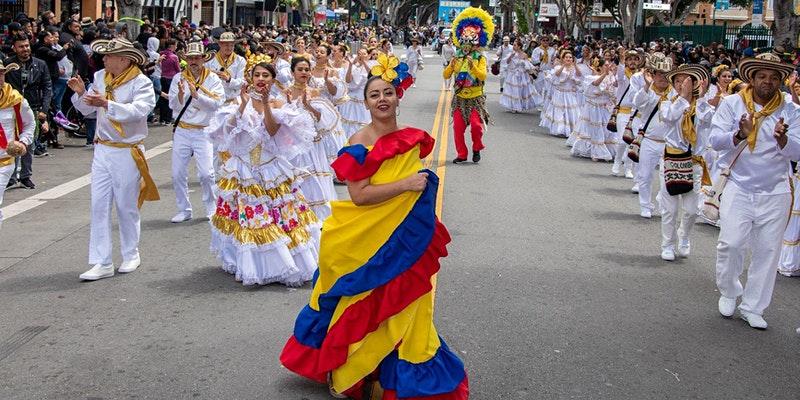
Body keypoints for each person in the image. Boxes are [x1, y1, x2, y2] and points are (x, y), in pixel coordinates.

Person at [280, 70, 468, 400]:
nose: (382, 99)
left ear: (398, 97)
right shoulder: (358, 142)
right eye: (374, 95)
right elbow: (360, 195)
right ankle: (358, 370)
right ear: (365, 103)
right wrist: (407, 185)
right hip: (367, 240)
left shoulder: (411, 138)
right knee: (366, 302)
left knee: (410, 306)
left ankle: (399, 377)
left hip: (406, 240)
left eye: (388, 93)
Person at [207, 55, 320, 286]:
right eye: (257, 75)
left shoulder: (278, 103)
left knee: (277, 217)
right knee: (247, 220)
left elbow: (271, 130)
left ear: (272, 79)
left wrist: (267, 102)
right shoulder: (238, 103)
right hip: (243, 170)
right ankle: (248, 263)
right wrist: (241, 104)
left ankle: (279, 263)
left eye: (265, 75)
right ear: (250, 78)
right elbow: (228, 132)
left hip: (271, 170)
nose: (261, 79)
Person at [710, 52, 799, 329]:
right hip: (738, 185)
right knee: (731, 244)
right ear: (752, 78)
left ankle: (753, 306)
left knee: (768, 251)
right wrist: (738, 134)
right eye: (762, 76)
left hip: (776, 191)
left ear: (780, 82)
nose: (768, 82)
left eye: (774, 78)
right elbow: (715, 141)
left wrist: (784, 139)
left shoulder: (791, 110)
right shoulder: (732, 104)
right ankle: (729, 290)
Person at [68, 37, 158, 281]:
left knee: (126, 205)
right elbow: (87, 110)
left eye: (109, 56)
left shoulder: (142, 83)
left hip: (127, 150)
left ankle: (131, 253)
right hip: (103, 149)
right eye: (104, 56)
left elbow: (139, 111)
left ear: (124, 59)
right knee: (98, 205)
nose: (104, 60)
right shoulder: (99, 77)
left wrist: (106, 103)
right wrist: (80, 95)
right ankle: (102, 261)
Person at [656, 64, 711, 261]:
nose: (681, 84)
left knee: (691, 210)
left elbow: (708, 120)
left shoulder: (702, 105)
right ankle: (667, 244)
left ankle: (684, 236)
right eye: (678, 81)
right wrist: (682, 97)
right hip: (671, 159)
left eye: (686, 81)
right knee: (669, 209)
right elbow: (668, 117)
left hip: (694, 162)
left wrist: (702, 97)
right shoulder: (667, 102)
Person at [168, 42, 224, 223]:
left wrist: (197, 96)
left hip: (203, 131)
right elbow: (172, 106)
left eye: (197, 58)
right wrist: (180, 96)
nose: (193, 61)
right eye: (190, 58)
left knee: (207, 173)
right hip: (183, 130)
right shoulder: (178, 78)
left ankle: (211, 207)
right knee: (177, 173)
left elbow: (217, 103)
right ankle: (184, 209)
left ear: (203, 59)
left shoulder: (212, 79)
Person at [443, 7, 493, 164]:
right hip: (459, 98)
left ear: (475, 45)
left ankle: (477, 147)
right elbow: (445, 75)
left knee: (477, 127)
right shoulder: (456, 58)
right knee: (457, 129)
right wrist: (451, 66)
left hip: (475, 98)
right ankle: (462, 154)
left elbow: (483, 76)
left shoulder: (480, 58)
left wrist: (473, 66)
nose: (465, 48)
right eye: (463, 44)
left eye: (468, 45)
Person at [630, 52, 675, 218]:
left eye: (666, 75)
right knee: (645, 175)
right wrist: (647, 86)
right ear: (653, 75)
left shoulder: (674, 94)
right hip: (649, 140)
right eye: (660, 74)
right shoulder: (648, 91)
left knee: (667, 178)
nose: (663, 78)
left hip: (669, 143)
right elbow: (637, 103)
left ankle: (663, 203)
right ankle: (645, 206)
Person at [5, 34, 51, 189]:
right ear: (14, 48)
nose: (25, 49)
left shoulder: (40, 64)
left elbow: (47, 87)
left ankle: (25, 176)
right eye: (21, 46)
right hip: (11, 108)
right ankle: (10, 176)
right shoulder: (7, 65)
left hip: (33, 107)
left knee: (29, 142)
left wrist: (44, 110)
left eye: (27, 46)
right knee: (11, 140)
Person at [0, 62, 35, 228]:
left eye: (1, 73)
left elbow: (30, 123)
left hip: (4, 162)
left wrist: (23, 142)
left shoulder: (15, 99)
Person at [571, 57, 616, 161]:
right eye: (606, 65)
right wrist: (605, 74)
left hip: (605, 107)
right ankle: (597, 153)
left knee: (606, 129)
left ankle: (604, 149)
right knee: (596, 129)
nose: (608, 67)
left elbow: (614, 90)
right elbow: (595, 84)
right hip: (594, 107)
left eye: (609, 65)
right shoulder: (590, 78)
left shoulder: (611, 78)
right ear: (600, 67)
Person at [611, 50, 644, 180]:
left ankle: (628, 168)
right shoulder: (622, 73)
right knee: (621, 141)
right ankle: (617, 162)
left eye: (635, 59)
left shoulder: (642, 76)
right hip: (623, 112)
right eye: (630, 59)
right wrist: (621, 59)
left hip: (636, 113)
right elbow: (619, 74)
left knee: (632, 141)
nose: (632, 62)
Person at [540, 50, 582, 138]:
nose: (568, 59)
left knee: (570, 112)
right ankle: (559, 130)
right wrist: (563, 65)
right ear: (563, 59)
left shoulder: (574, 68)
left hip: (569, 93)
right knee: (559, 111)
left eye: (570, 57)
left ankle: (570, 130)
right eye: (566, 57)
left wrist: (575, 65)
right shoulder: (558, 67)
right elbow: (557, 74)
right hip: (560, 93)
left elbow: (579, 75)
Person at [204, 32, 246, 106]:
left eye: (232, 45)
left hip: (232, 103)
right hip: (213, 101)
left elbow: (242, 83)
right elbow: (203, 80)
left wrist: (229, 79)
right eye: (226, 45)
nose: (229, 48)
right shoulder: (210, 60)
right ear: (220, 44)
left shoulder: (240, 60)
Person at [499, 38, 536, 113]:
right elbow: (507, 62)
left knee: (520, 91)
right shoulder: (511, 53)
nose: (513, 46)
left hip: (521, 75)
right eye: (513, 45)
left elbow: (527, 66)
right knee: (512, 91)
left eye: (515, 45)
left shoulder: (524, 55)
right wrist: (511, 56)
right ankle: (513, 106)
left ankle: (518, 106)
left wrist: (530, 74)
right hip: (512, 75)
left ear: (519, 46)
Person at [158, 39, 180, 124]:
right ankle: (168, 118)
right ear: (172, 46)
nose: (176, 47)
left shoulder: (161, 54)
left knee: (163, 98)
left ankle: (162, 118)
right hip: (171, 79)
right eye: (176, 45)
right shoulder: (174, 57)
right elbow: (177, 69)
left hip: (162, 77)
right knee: (171, 98)